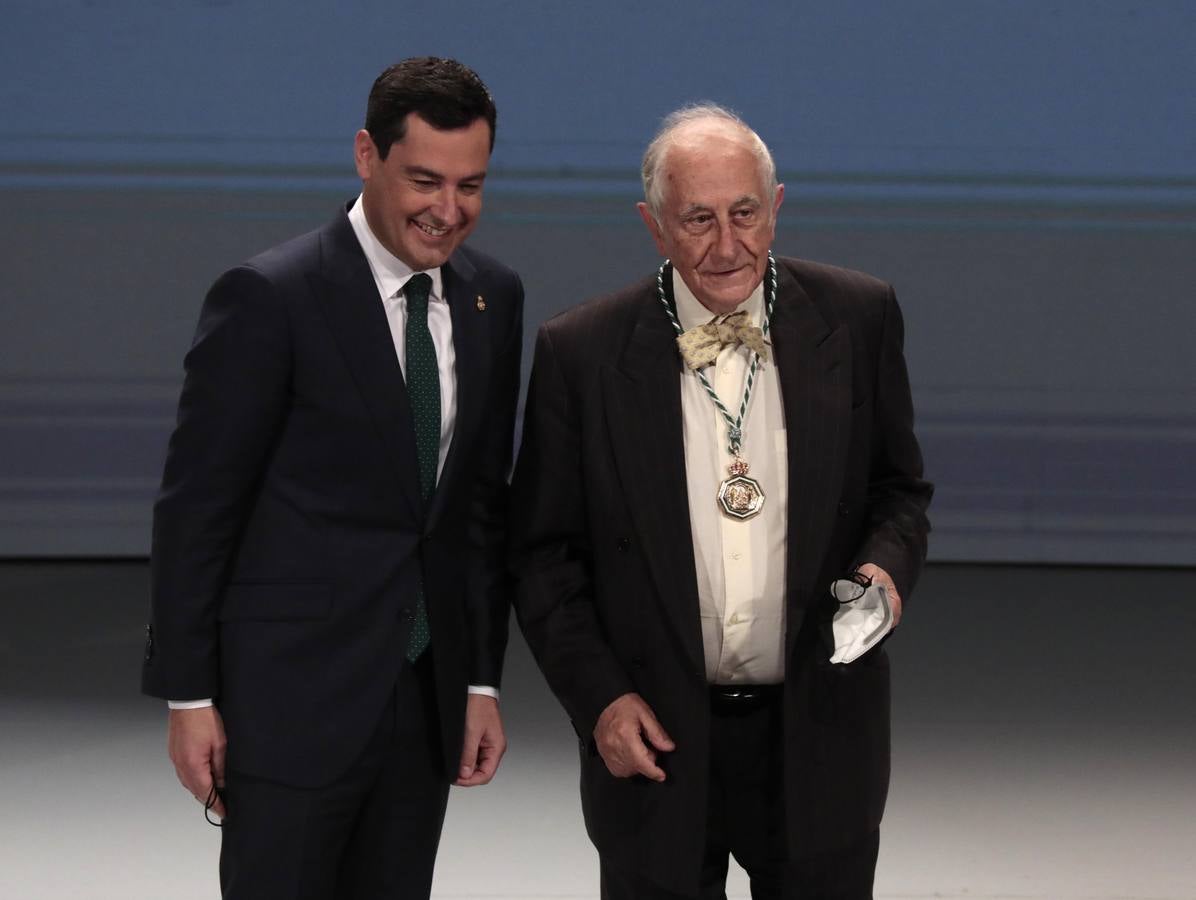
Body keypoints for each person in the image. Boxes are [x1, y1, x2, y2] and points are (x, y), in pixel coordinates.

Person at [509, 104, 932, 899]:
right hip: (655, 740)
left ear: (776, 207)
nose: (727, 244)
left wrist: (882, 572)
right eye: (698, 219)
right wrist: (599, 698)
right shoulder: (581, 352)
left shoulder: (860, 317)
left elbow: (899, 493)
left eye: (744, 213)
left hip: (818, 733)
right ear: (654, 226)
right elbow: (543, 557)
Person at [142, 57, 523, 899]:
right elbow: (196, 508)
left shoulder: (493, 297)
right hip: (288, 703)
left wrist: (479, 678)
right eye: (425, 180)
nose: (448, 210)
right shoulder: (271, 296)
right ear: (365, 155)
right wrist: (188, 696)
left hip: (423, 700)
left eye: (471, 185)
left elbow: (477, 513)